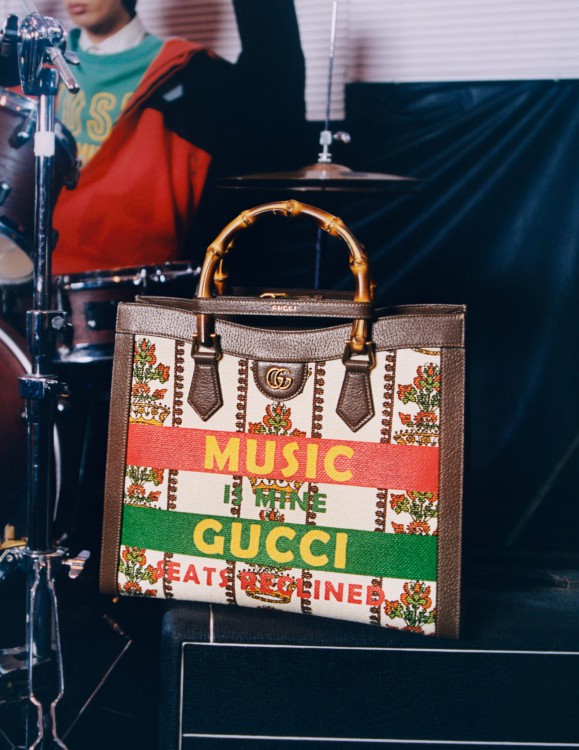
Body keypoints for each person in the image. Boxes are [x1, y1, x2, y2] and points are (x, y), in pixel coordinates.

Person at [52, 0, 306, 275]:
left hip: (125, 269)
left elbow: (275, 104)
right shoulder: (39, 68)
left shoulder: (187, 72)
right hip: (38, 253)